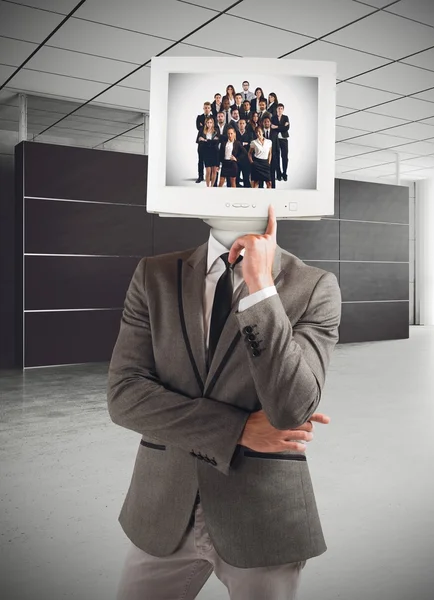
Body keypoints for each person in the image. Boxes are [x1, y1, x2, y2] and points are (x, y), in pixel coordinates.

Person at [109, 205, 341, 599]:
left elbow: (290, 409)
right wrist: (237, 430)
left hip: (262, 513)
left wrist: (262, 289)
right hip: (163, 505)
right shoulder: (155, 274)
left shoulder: (315, 286)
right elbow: (125, 396)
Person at [198, 116, 220, 187]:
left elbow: (217, 141)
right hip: (206, 152)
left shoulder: (216, 131)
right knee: (208, 171)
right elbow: (198, 140)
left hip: (215, 152)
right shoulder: (202, 131)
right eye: (208, 122)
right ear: (206, 123)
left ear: (213, 123)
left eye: (211, 122)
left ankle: (212, 186)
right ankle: (208, 186)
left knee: (214, 171)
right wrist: (209, 141)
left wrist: (205, 140)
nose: (209, 124)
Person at [271, 103, 290, 181]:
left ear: (283, 110)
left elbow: (287, 128)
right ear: (276, 109)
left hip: (284, 139)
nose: (280, 110)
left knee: (284, 156)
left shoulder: (285, 117)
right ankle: (278, 173)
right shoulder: (273, 118)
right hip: (275, 139)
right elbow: (272, 127)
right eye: (278, 108)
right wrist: (282, 127)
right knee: (276, 157)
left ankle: (284, 173)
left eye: (281, 108)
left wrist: (277, 127)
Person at [195, 102, 213, 183]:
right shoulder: (199, 117)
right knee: (200, 160)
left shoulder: (213, 117)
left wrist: (204, 126)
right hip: (201, 141)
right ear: (203, 108)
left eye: (208, 108)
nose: (207, 109)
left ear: (210, 109)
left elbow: (214, 128)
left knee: (210, 160)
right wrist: (204, 127)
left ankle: (210, 177)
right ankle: (200, 176)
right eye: (205, 108)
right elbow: (199, 128)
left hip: (210, 142)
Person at [261, 115, 280, 189]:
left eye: (268, 122)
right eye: (265, 122)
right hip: (262, 159)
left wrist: (277, 160)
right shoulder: (260, 133)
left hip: (273, 159)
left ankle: (273, 191)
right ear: (263, 123)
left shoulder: (275, 134)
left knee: (272, 177)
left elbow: (277, 148)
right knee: (261, 177)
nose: (266, 123)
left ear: (270, 123)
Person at [235, 119, 253, 187]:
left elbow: (250, 144)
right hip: (237, 158)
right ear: (238, 124)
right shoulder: (235, 133)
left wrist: (240, 144)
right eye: (240, 123)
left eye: (243, 123)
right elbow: (235, 144)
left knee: (246, 178)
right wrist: (243, 143)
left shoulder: (249, 133)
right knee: (236, 177)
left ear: (245, 124)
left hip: (246, 158)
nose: (242, 125)